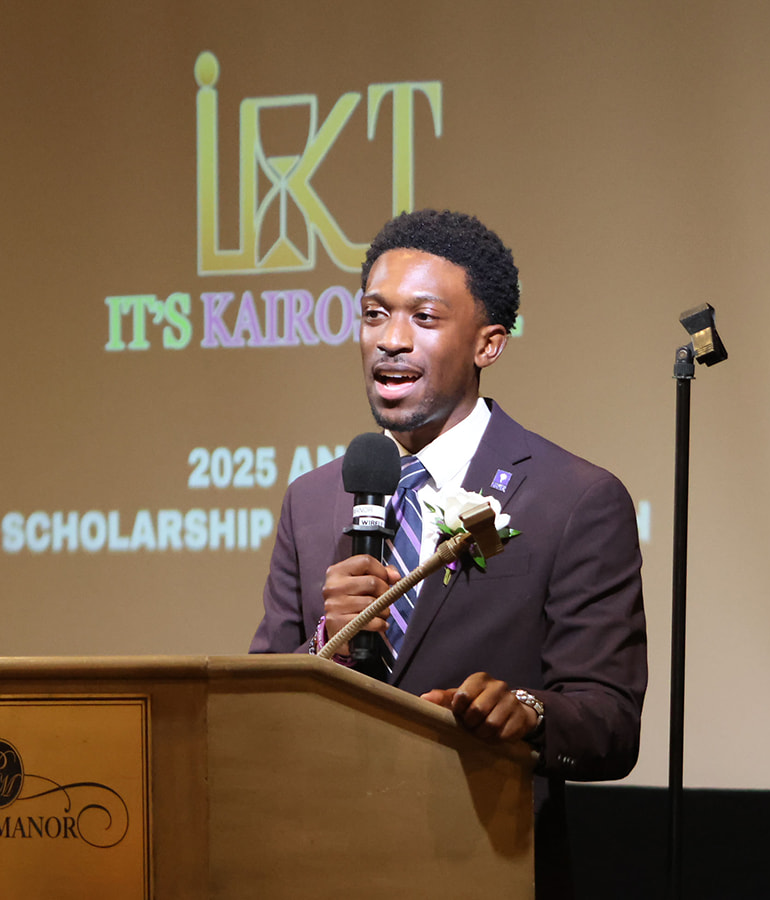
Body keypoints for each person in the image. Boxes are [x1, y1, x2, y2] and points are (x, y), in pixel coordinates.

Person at [249, 209, 647, 896]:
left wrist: (525, 711)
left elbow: (610, 720)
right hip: (323, 859)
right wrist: (328, 642)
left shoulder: (574, 498)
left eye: (424, 319)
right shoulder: (312, 501)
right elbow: (257, 713)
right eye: (375, 315)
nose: (390, 341)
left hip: (482, 863)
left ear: (488, 344)